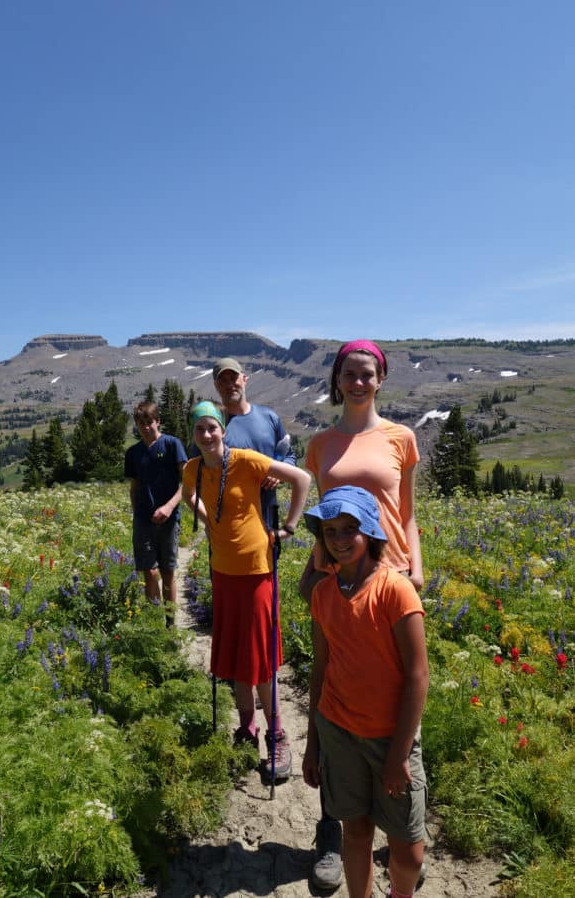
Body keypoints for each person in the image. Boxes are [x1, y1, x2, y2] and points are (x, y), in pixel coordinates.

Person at [300, 339, 424, 890]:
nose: (357, 381)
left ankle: (402, 834)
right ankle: (339, 840)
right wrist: (312, 567)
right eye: (348, 373)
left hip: (390, 583)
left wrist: (414, 569)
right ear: (336, 379)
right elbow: (327, 517)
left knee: (394, 689)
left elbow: (408, 516)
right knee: (339, 694)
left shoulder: (401, 437)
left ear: (380, 379)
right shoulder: (320, 444)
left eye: (367, 373)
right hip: (335, 578)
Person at [302, 486, 428, 898]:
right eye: (330, 530)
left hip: (392, 736)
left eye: (349, 529)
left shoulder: (395, 590)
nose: (338, 539)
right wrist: (312, 745)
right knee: (355, 830)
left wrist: (398, 754)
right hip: (339, 730)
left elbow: (417, 676)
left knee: (407, 848)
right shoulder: (322, 595)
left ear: (371, 531)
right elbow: (320, 669)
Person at [182, 401, 311, 782]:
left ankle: (277, 735)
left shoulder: (247, 460)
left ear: (223, 428)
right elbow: (190, 497)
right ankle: (247, 729)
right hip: (223, 572)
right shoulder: (193, 468)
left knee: (260, 658)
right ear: (193, 434)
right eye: (199, 429)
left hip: (257, 570)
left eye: (212, 427)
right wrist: (210, 521)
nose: (206, 435)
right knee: (239, 656)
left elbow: (301, 479)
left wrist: (287, 528)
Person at [212, 357, 296, 527]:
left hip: (267, 514)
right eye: (223, 380)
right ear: (216, 385)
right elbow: (198, 470)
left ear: (244, 379)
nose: (230, 385)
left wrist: (278, 475)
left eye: (234, 378)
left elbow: (290, 456)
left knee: (269, 554)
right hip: (230, 520)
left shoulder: (269, 417)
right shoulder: (213, 426)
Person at [124, 401, 187, 624]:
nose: (146, 427)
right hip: (143, 520)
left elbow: (187, 483)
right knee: (149, 572)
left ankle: (170, 624)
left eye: (149, 422)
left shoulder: (172, 445)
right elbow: (134, 486)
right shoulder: (133, 453)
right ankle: (154, 624)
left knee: (168, 572)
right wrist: (136, 513)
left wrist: (169, 507)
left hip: (170, 520)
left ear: (157, 421)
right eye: (141, 423)